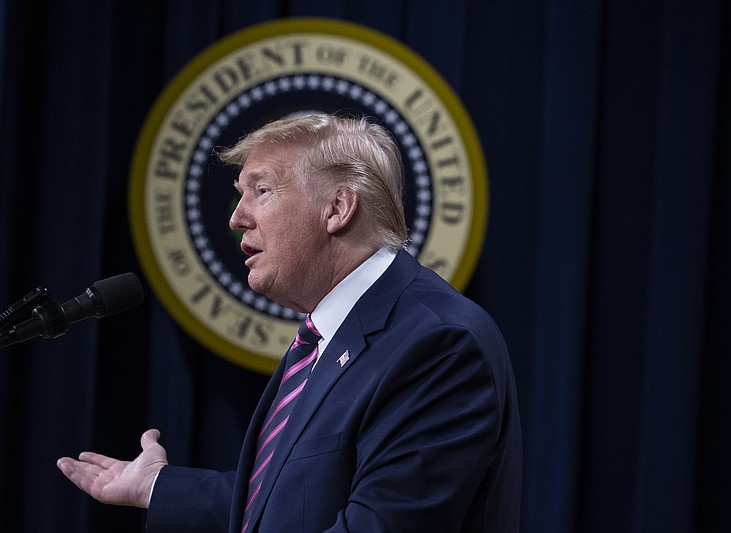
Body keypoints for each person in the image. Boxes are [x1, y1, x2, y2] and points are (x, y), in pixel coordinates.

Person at [57, 113, 523, 532]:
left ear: (337, 209)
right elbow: (293, 499)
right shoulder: (328, 336)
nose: (237, 218)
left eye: (261, 191)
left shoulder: (437, 342)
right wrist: (156, 487)